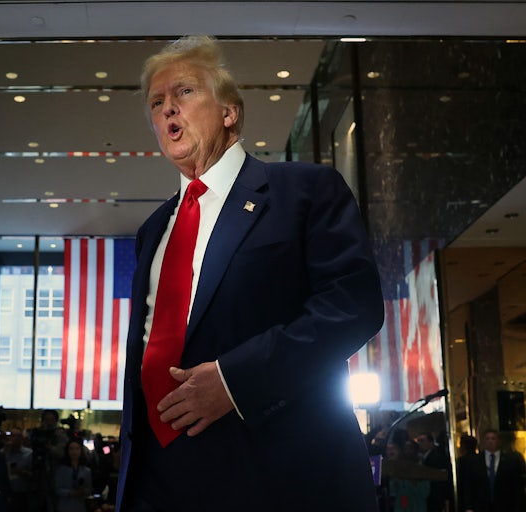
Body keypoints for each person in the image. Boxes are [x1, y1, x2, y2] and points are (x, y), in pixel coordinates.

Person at [115, 35, 385, 512]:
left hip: (274, 478)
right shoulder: (152, 229)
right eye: (157, 103)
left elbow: (351, 306)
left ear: (229, 112)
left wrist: (236, 381)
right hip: (156, 483)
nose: (168, 110)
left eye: (184, 92)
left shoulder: (306, 191)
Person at [459, 429, 526, 512]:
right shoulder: (474, 462)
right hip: (481, 506)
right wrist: (469, 507)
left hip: (505, 506)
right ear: (483, 442)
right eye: (487, 439)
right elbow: (469, 485)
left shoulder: (510, 461)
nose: (490, 441)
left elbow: (516, 487)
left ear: (498, 441)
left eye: (493, 438)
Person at [53, 438, 92, 512]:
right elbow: (57, 489)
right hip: (65, 506)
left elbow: (89, 489)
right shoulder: (61, 469)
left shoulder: (86, 470)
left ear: (81, 451)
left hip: (80, 506)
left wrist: (83, 491)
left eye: (77, 449)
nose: (74, 452)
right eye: (71, 449)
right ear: (67, 451)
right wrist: (70, 493)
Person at [0, 427, 33, 511]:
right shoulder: (3, 452)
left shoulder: (29, 453)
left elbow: (33, 475)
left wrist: (21, 472)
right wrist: (5, 450)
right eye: (13, 436)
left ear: (21, 438)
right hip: (6, 492)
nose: (15, 438)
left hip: (22, 492)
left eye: (18, 436)